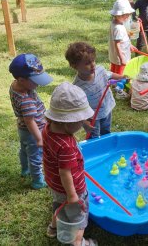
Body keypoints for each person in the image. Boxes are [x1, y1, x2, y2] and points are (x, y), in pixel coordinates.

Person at [43, 82, 97, 246]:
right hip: (72, 188)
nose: (83, 123)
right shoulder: (66, 145)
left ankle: (53, 228)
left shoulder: (48, 128)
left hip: (55, 184)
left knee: (59, 206)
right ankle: (79, 243)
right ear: (68, 123)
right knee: (79, 218)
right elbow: (65, 172)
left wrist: (84, 124)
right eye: (80, 121)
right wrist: (73, 195)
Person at [8, 53, 53, 189]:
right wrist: (39, 138)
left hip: (22, 129)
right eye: (35, 81)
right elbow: (30, 121)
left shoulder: (15, 85)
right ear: (21, 79)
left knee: (24, 150)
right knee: (36, 156)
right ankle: (37, 181)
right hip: (33, 131)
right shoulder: (26, 100)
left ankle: (25, 170)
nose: (38, 84)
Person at [65, 42, 125, 139]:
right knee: (94, 137)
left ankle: (106, 149)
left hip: (106, 108)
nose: (92, 65)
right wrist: (84, 123)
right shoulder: (77, 87)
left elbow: (110, 75)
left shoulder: (100, 70)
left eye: (93, 60)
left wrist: (121, 77)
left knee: (106, 132)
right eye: (87, 63)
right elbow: (77, 108)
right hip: (92, 116)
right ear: (75, 66)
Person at [109, 0, 135, 75]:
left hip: (115, 57)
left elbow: (122, 38)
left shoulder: (115, 23)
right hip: (120, 57)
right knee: (120, 75)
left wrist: (130, 45)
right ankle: (118, 86)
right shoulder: (118, 28)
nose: (127, 17)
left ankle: (112, 84)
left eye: (128, 15)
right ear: (117, 14)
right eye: (125, 15)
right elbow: (117, 44)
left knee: (114, 72)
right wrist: (122, 58)